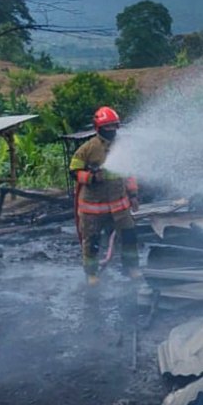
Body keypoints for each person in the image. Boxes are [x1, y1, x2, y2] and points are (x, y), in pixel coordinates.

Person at [69, 106, 141, 287]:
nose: (112, 130)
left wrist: (133, 195)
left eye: (114, 126)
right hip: (93, 207)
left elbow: (129, 173)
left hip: (120, 205)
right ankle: (92, 274)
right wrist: (92, 177)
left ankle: (131, 267)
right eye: (107, 127)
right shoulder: (87, 149)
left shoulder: (122, 147)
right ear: (98, 128)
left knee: (129, 236)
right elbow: (73, 172)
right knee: (92, 241)